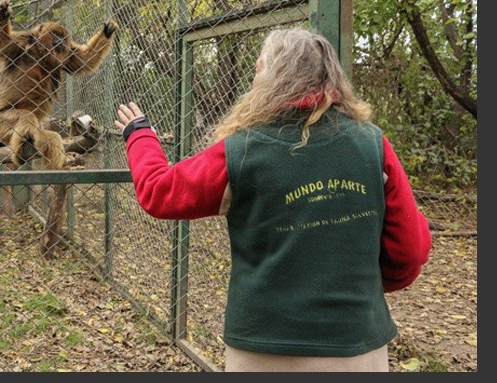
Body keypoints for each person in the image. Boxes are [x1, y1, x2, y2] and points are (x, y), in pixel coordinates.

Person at [114, 26, 432, 372]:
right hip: (358, 343)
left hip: (264, 346)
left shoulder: (241, 151)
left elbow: (160, 193)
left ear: (272, 77)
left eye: (258, 68)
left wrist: (140, 135)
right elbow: (410, 251)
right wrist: (362, 288)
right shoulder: (372, 144)